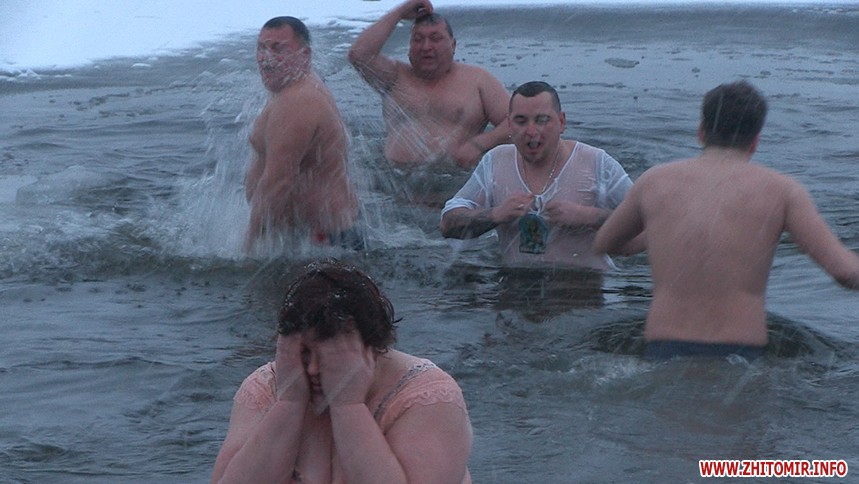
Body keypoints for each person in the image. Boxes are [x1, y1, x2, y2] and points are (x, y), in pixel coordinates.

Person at [593, 80, 859, 360]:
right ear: (755, 141)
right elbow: (845, 272)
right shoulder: (782, 191)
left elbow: (606, 243)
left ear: (701, 132)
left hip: (664, 349)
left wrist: (661, 231)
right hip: (739, 356)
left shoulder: (654, 181)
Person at [210, 259, 473, 484]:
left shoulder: (430, 398)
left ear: (372, 348)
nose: (313, 369)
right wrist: (288, 403)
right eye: (304, 352)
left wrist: (348, 406)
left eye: (330, 355)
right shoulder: (265, 386)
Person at [440, 81, 637, 270]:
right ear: (509, 125)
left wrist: (589, 216)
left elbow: (645, 219)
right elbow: (448, 223)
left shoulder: (595, 163)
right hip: (516, 282)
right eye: (521, 121)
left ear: (561, 122)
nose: (531, 131)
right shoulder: (496, 162)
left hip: (585, 283)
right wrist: (496, 214)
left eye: (542, 120)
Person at [245, 17, 361, 251]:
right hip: (316, 238)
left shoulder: (297, 102)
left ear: (305, 55)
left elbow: (277, 184)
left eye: (278, 49)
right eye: (261, 48)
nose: (265, 58)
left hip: (323, 244)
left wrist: (247, 251)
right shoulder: (297, 86)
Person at [348, 0, 510, 168]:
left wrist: (479, 144)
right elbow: (358, 55)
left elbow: (516, 122)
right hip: (394, 175)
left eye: (435, 38)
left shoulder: (478, 80)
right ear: (409, 47)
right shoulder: (394, 77)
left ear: (453, 45)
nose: (426, 47)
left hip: (456, 176)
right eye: (418, 39)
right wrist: (399, 13)